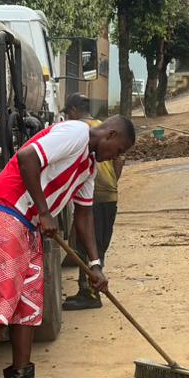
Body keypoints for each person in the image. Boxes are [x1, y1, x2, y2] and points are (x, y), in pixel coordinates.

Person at [0, 115, 137, 378]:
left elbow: (84, 216)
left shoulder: (89, 168)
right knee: (1, 306)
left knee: (28, 311)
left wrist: (95, 265)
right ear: (110, 134)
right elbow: (27, 157)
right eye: (118, 149)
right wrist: (44, 210)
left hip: (28, 226)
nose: (114, 157)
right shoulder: (76, 133)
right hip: (6, 213)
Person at [63, 100, 124, 312]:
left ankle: (89, 293)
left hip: (93, 195)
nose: (68, 117)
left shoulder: (82, 130)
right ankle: (90, 289)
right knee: (98, 244)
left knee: (87, 243)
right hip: (109, 194)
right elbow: (120, 160)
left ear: (74, 110)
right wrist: (112, 182)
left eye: (68, 113)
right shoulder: (103, 126)